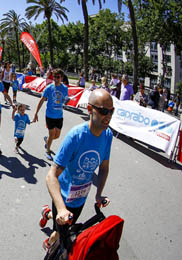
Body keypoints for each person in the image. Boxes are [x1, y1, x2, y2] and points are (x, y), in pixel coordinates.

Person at [39, 89, 113, 250]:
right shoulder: (76, 136)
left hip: (80, 198)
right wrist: (60, 208)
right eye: (103, 111)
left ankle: (47, 214)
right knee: (60, 234)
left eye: (111, 111)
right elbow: (51, 175)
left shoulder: (107, 135)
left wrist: (99, 194)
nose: (108, 116)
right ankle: (48, 245)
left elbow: (104, 168)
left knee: (64, 228)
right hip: (63, 196)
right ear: (89, 109)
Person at [33, 68, 69, 161]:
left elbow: (64, 101)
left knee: (57, 136)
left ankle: (47, 140)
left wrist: (66, 101)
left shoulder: (64, 88)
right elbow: (41, 100)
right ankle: (48, 151)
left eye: (58, 77)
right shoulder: (49, 88)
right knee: (52, 134)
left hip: (59, 116)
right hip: (50, 115)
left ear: (61, 78)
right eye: (55, 77)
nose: (56, 79)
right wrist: (36, 113)